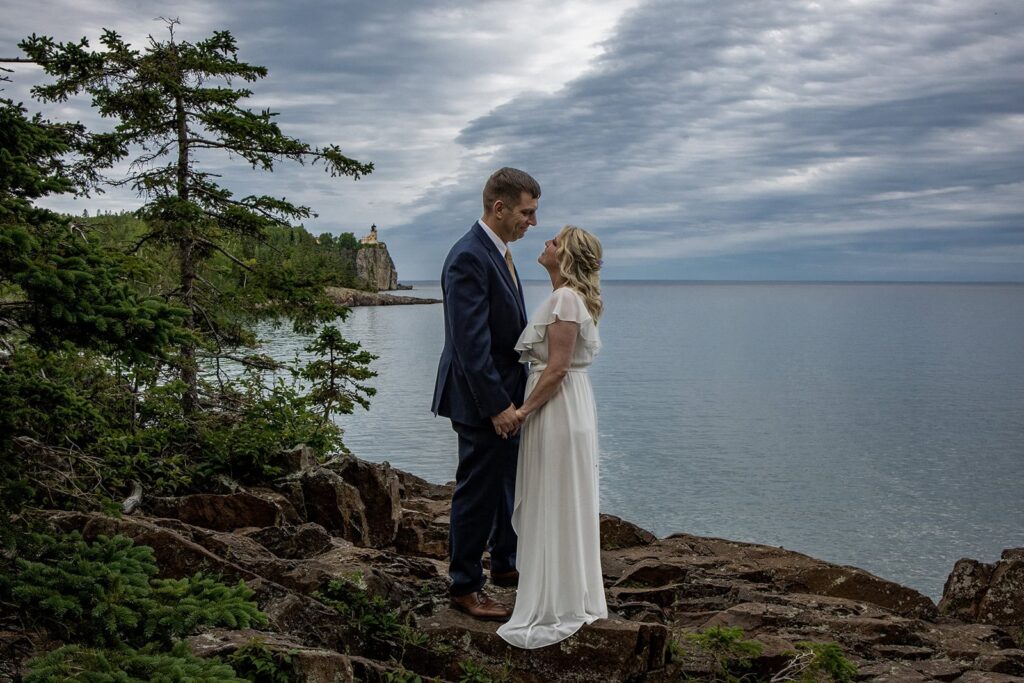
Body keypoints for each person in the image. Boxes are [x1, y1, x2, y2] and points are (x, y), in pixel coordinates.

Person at [431, 167, 541, 620]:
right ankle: (464, 585)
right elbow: (470, 345)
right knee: (477, 489)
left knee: (503, 483)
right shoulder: (469, 257)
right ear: (499, 208)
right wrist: (497, 406)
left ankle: (505, 563)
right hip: (480, 400)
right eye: (526, 212)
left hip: (503, 394)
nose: (531, 223)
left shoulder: (499, 253)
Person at [497, 225, 607, 648]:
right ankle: (565, 589)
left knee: (554, 494)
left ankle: (555, 600)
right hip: (568, 406)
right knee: (563, 496)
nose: (546, 243)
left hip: (557, 408)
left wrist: (522, 412)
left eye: (554, 242)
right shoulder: (571, 298)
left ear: (566, 257)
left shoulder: (564, 299)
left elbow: (557, 367)